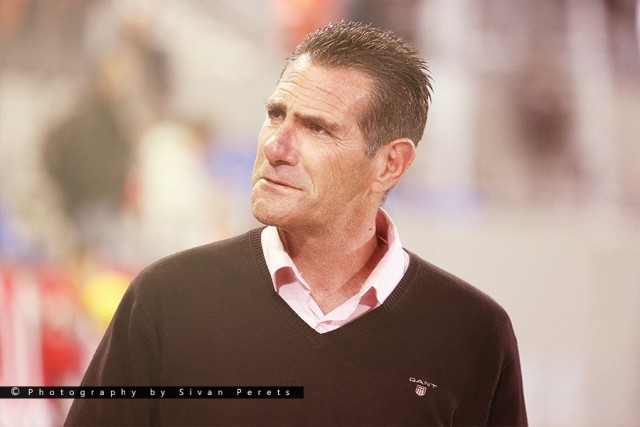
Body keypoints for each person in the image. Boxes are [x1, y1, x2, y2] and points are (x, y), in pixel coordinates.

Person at [65, 22, 527, 426]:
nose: (275, 146)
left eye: (317, 128)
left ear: (390, 164)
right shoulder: (166, 300)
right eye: (275, 115)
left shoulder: (472, 333)